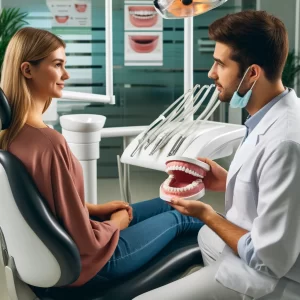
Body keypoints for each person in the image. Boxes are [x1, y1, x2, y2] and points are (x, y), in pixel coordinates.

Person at [0, 27, 204, 287]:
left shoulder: (12, 137)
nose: (66, 74)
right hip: (96, 262)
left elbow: (48, 207)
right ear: (27, 70)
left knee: (172, 201)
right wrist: (115, 225)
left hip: (74, 249)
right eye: (58, 65)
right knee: (184, 216)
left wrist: (94, 210)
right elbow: (84, 240)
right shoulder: (48, 143)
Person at [134, 10, 300, 300]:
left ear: (251, 74)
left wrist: (207, 215)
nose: (211, 73)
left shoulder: (286, 141)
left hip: (271, 277)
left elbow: (269, 258)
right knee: (203, 235)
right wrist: (226, 181)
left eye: (220, 64)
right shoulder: (265, 116)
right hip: (257, 248)